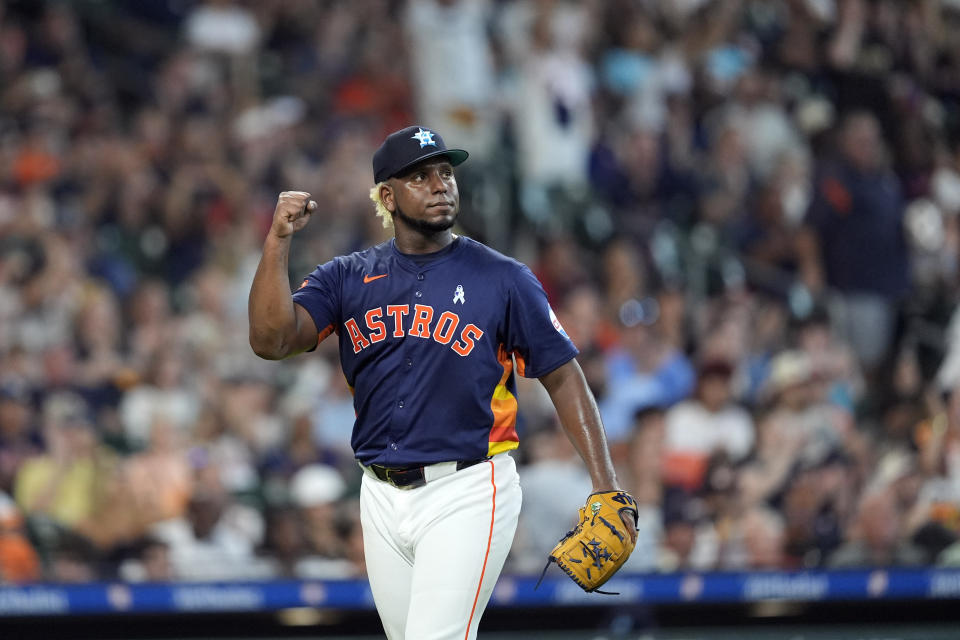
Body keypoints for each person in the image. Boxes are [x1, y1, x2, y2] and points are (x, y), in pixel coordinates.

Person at [248, 125, 636, 639]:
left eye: (446, 172)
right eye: (421, 176)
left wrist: (606, 484)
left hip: (470, 486)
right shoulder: (347, 277)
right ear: (387, 196)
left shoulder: (503, 278)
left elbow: (564, 378)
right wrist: (277, 241)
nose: (440, 184)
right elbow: (271, 341)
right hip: (380, 494)